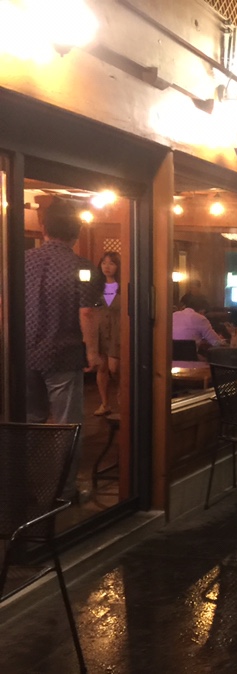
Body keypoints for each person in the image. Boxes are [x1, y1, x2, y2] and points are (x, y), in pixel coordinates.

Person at [25, 198, 101, 500]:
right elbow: (88, 312)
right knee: (68, 425)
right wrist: (92, 352)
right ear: (77, 231)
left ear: (43, 228)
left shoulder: (20, 261)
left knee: (28, 422)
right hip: (63, 354)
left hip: (21, 353)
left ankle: (25, 486)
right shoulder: (82, 267)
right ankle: (63, 491)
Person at [93, 251, 121, 416]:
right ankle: (105, 403)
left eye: (111, 263)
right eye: (104, 263)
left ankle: (122, 394)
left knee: (115, 367)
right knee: (102, 367)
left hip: (118, 330)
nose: (107, 267)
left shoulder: (123, 286)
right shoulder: (96, 286)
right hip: (100, 329)